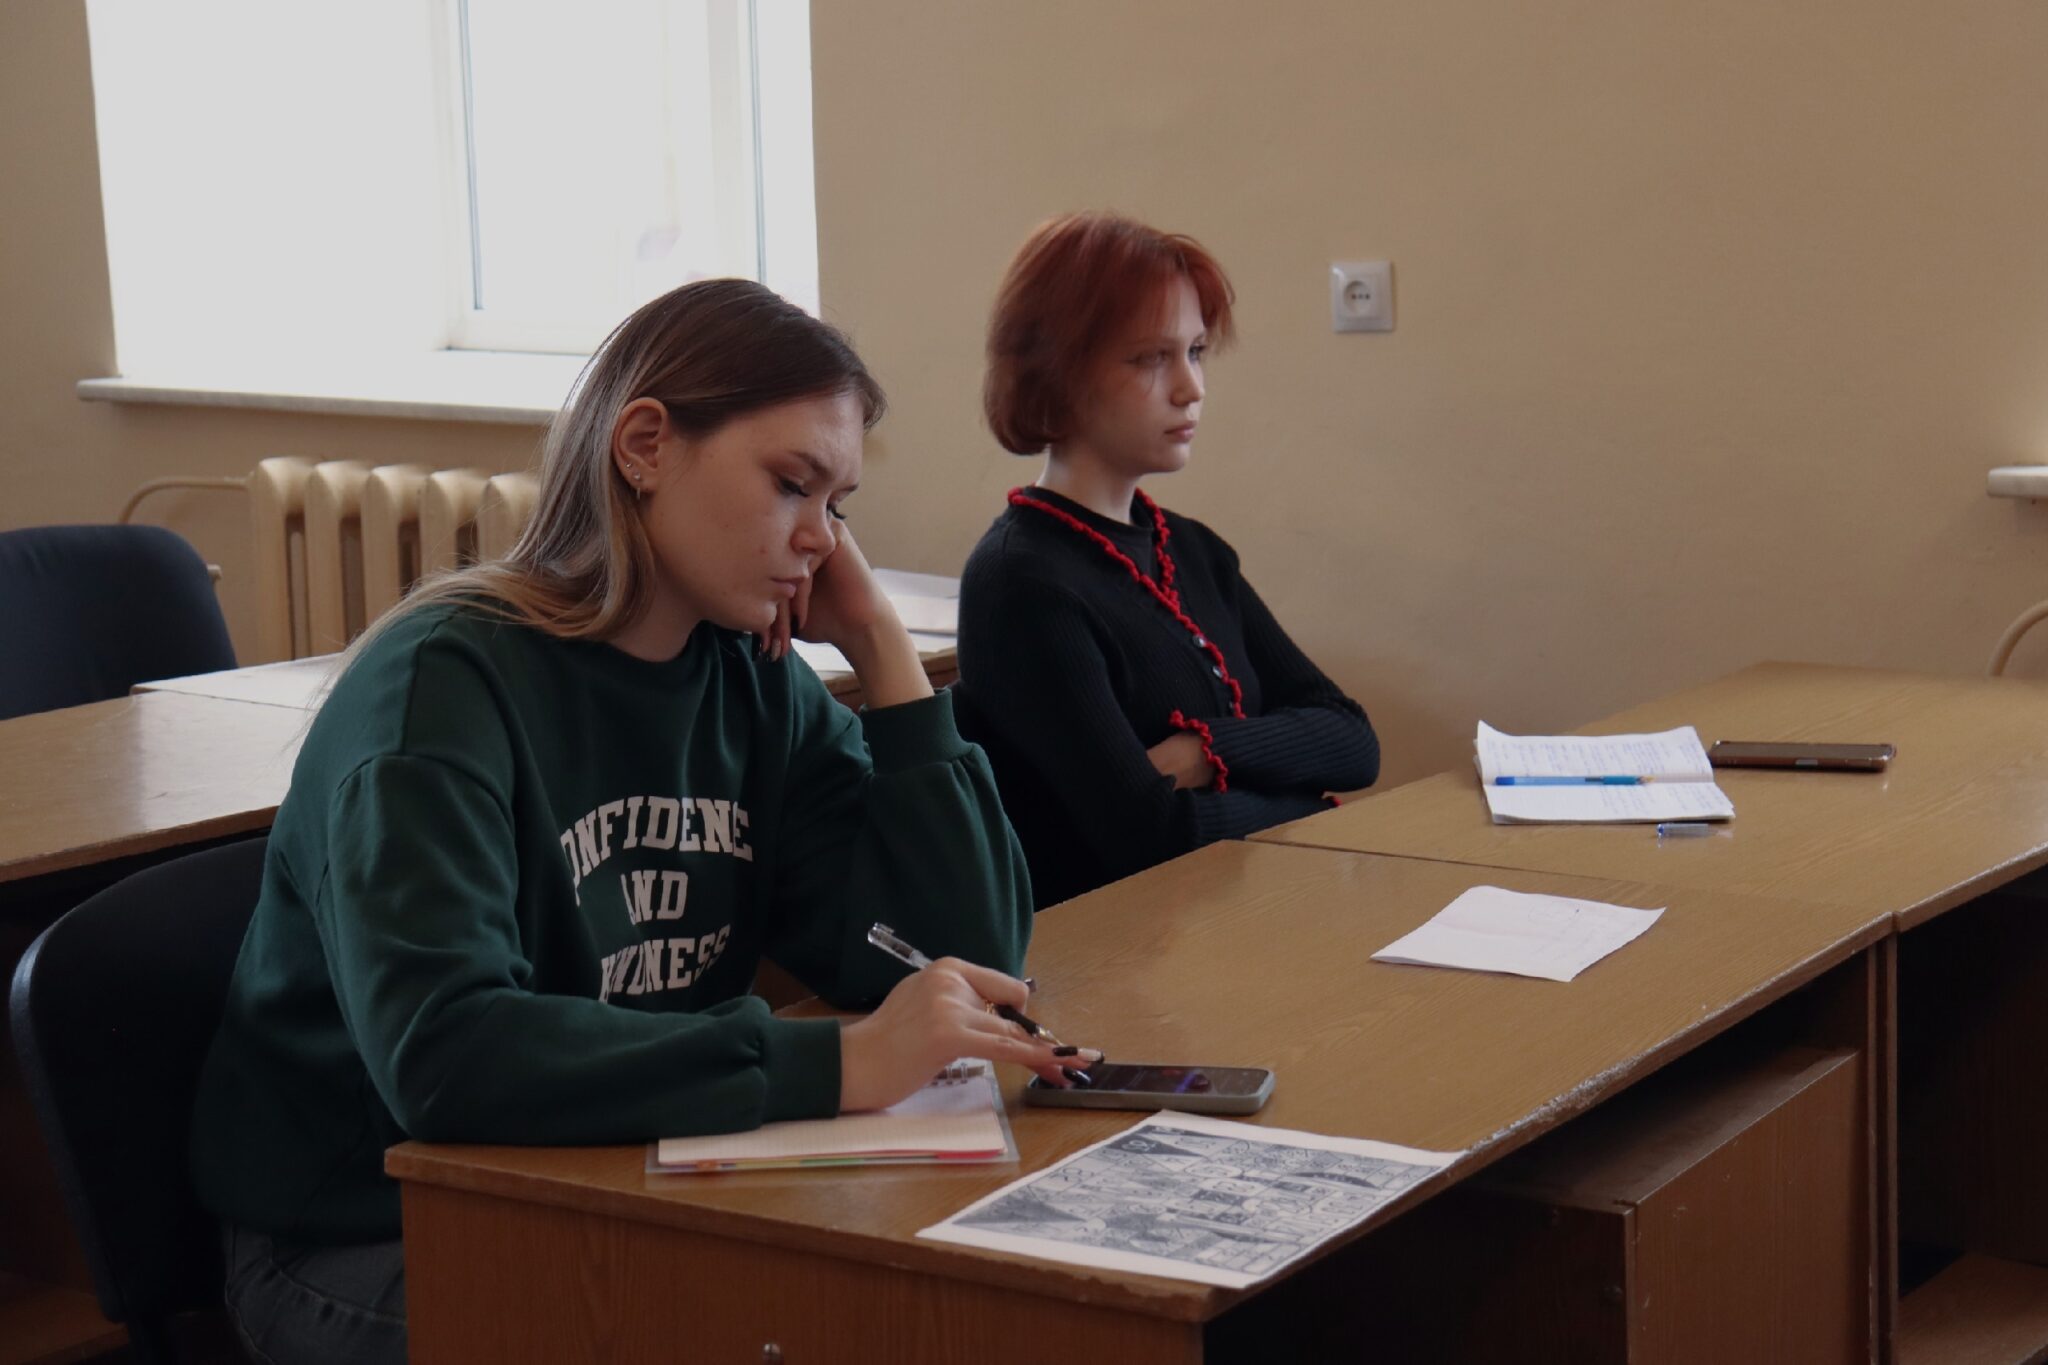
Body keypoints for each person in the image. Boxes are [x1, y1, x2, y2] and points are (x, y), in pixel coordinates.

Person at [189, 279, 1063, 1365]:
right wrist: (838, 1064)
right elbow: (446, 1053)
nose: (819, 540)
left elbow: (959, 964)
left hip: (610, 1173)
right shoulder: (442, 688)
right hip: (366, 1227)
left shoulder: (753, 682)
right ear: (645, 445)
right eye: (791, 484)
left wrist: (882, 650)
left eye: (838, 505)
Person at [956, 212, 1381, 909]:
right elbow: (1151, 834)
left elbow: (1354, 741)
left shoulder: (1193, 548)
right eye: (1151, 358)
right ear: (1057, 370)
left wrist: (1204, 751)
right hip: (1112, 949)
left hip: (1235, 916)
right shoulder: (1021, 581)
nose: (1191, 387)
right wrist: (1306, 803)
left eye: (1197, 351)